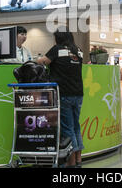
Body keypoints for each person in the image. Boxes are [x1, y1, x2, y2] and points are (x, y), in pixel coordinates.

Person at [36, 28, 84, 167]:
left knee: (68, 129)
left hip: (64, 94)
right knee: (76, 127)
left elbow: (42, 62)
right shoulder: (78, 50)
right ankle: (79, 160)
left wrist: (36, 58)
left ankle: (72, 163)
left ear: (58, 38)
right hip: (78, 93)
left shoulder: (57, 49)